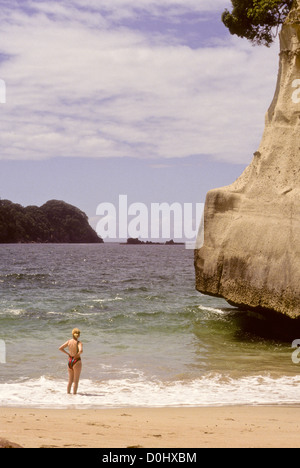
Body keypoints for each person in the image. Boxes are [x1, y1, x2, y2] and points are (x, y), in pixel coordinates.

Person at [59, 328, 83, 394]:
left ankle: (68, 395)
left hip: (70, 360)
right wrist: (76, 355)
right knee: (76, 381)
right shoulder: (79, 343)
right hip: (76, 361)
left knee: (70, 381)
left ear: (72, 334)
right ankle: (74, 395)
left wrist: (68, 354)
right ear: (79, 335)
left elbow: (60, 348)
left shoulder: (69, 341)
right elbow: (81, 351)